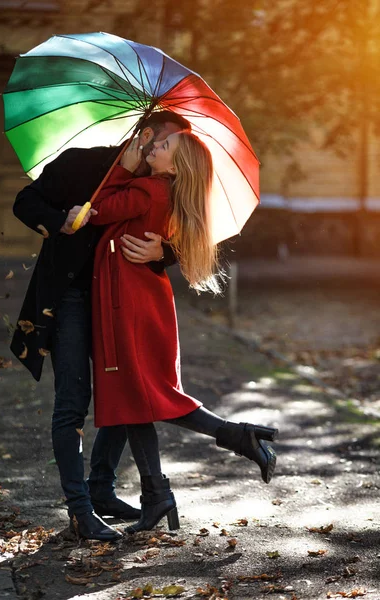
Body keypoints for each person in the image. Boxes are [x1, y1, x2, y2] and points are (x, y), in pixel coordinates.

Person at [10, 111, 191, 542]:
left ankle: (102, 489)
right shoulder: (80, 164)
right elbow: (24, 202)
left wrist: (161, 253)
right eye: (166, 142)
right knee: (73, 398)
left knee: (125, 390)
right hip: (70, 298)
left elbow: (181, 236)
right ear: (146, 136)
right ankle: (80, 511)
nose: (169, 152)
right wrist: (59, 221)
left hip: (118, 301)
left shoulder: (158, 185)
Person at [86, 131, 278, 534]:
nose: (153, 146)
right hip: (140, 300)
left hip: (130, 305)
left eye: (163, 146)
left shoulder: (146, 189)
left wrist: (121, 168)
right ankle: (134, 493)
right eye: (156, 142)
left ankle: (231, 441)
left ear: (174, 166)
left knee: (142, 397)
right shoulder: (166, 192)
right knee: (132, 397)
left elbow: (97, 209)